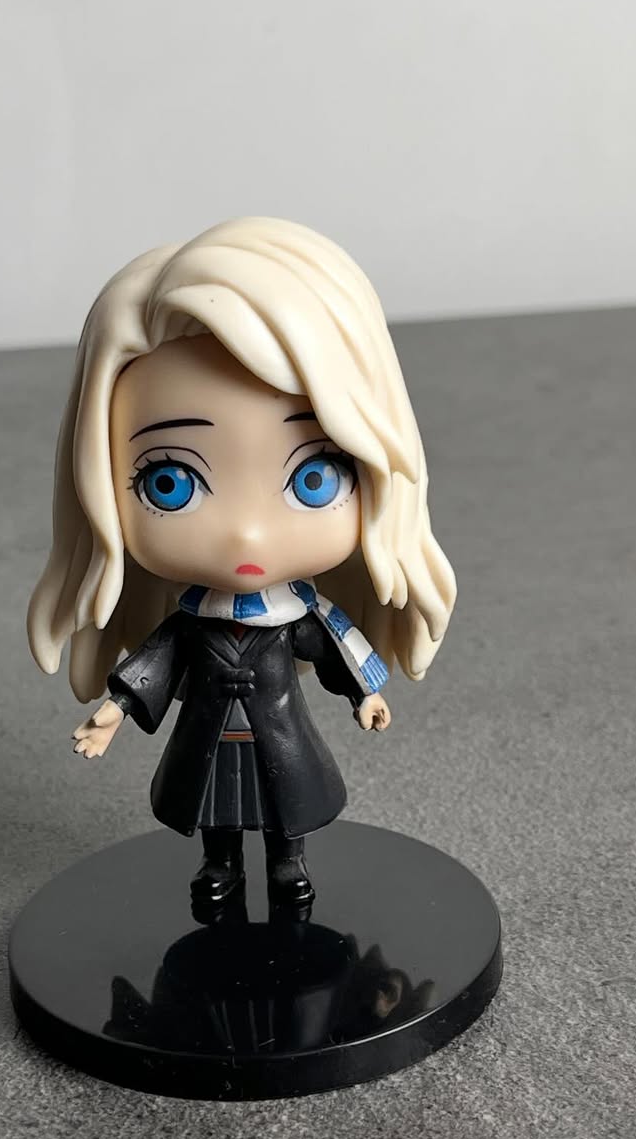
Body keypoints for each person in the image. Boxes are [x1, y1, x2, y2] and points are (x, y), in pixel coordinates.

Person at [27, 217, 456, 906]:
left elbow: (337, 644)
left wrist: (367, 692)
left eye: (314, 477)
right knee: (215, 812)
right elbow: (157, 661)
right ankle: (220, 865)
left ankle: (288, 865)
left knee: (287, 808)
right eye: (169, 481)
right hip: (207, 740)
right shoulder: (191, 621)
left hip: (281, 739)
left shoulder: (297, 614)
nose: (248, 536)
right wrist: (115, 709)